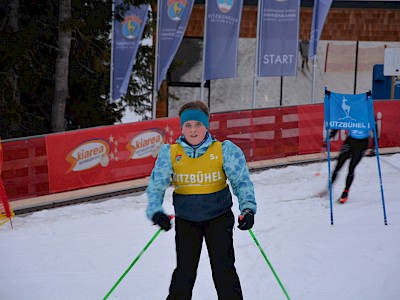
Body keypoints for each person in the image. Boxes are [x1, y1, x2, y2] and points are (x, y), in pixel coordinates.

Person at [146, 100, 257, 300]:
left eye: (198, 124)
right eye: (188, 125)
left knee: (224, 271)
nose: (193, 130)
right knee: (184, 273)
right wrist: (155, 211)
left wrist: (248, 209)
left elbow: (241, 182)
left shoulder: (224, 150)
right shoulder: (170, 153)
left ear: (206, 126)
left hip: (218, 217)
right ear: (182, 127)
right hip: (187, 220)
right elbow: (156, 186)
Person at [324, 127, 373, 203]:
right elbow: (340, 123)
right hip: (350, 141)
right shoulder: (351, 114)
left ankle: (345, 193)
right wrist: (330, 136)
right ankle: (328, 189)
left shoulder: (369, 115)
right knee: (338, 165)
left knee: (351, 168)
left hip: (362, 144)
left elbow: (375, 129)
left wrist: (373, 148)